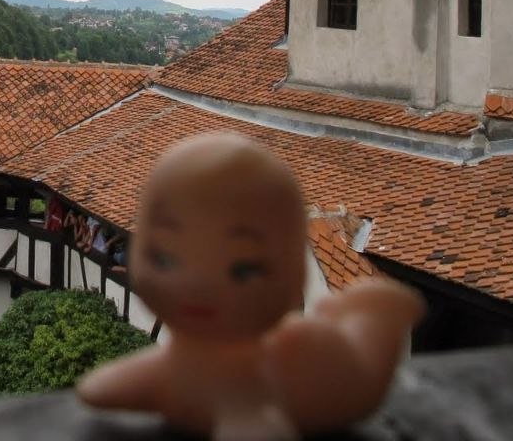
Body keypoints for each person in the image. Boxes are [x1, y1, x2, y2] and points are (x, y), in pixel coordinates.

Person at [78, 132, 423, 440]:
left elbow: (253, 421)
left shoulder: (252, 376)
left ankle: (378, 315)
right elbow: (150, 377)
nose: (197, 285)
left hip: (348, 376)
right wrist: (112, 386)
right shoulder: (181, 361)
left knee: (368, 346)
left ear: (293, 278)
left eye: (242, 270)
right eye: (167, 260)